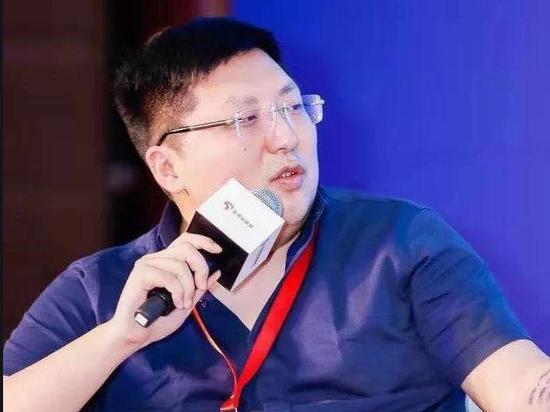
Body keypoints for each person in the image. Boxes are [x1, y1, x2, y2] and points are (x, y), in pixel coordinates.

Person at [3, 17, 549, 412]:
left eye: (292, 107)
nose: (287, 138)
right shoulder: (99, 290)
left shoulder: (400, 242)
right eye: (245, 120)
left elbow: (518, 384)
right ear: (168, 168)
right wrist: (119, 338)